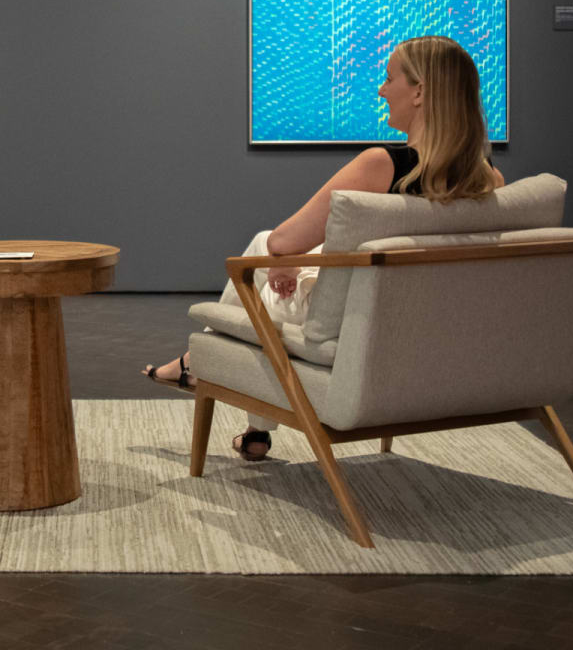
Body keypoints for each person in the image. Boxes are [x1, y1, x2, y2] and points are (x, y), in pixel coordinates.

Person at [143, 35, 505, 461]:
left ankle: (200, 364)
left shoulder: (381, 165)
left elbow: (283, 241)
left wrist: (283, 260)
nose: (381, 90)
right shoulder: (490, 180)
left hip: (354, 325)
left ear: (420, 91)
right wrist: (287, 261)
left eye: (390, 79)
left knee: (262, 250)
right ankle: (219, 393)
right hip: (430, 330)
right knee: (272, 261)